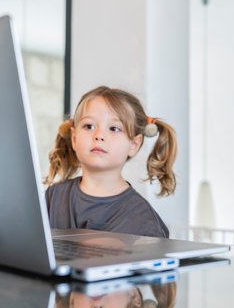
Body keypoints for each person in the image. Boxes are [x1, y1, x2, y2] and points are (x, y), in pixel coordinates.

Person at [44, 86, 177, 237]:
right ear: (74, 139)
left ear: (134, 144)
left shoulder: (141, 221)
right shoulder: (53, 196)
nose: (99, 135)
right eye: (89, 126)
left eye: (114, 129)